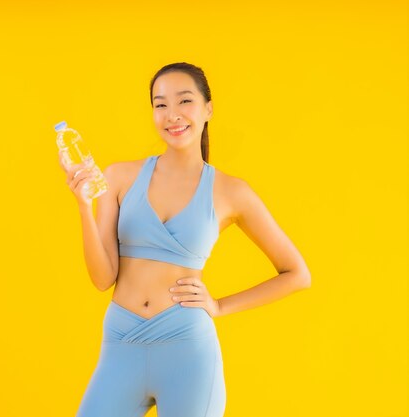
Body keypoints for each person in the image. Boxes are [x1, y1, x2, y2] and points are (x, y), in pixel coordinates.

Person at [58, 62, 311, 417]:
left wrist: (220, 306)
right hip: (121, 342)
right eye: (160, 105)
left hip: (187, 350)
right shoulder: (118, 176)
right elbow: (102, 278)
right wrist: (84, 206)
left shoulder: (230, 191)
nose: (172, 115)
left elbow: (297, 274)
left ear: (208, 108)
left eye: (185, 101)